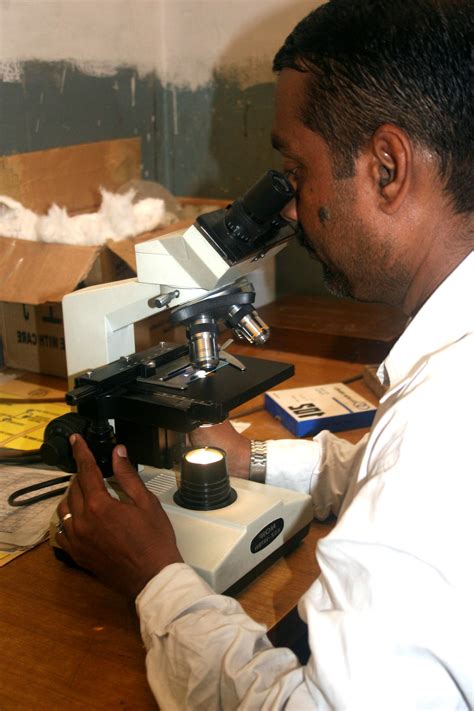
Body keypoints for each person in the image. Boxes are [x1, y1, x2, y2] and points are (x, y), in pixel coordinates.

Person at [56, 0, 474, 708]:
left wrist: (156, 575)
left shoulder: (438, 437)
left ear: (386, 167)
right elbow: (380, 468)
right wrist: (255, 459)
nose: (287, 206)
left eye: (294, 167)